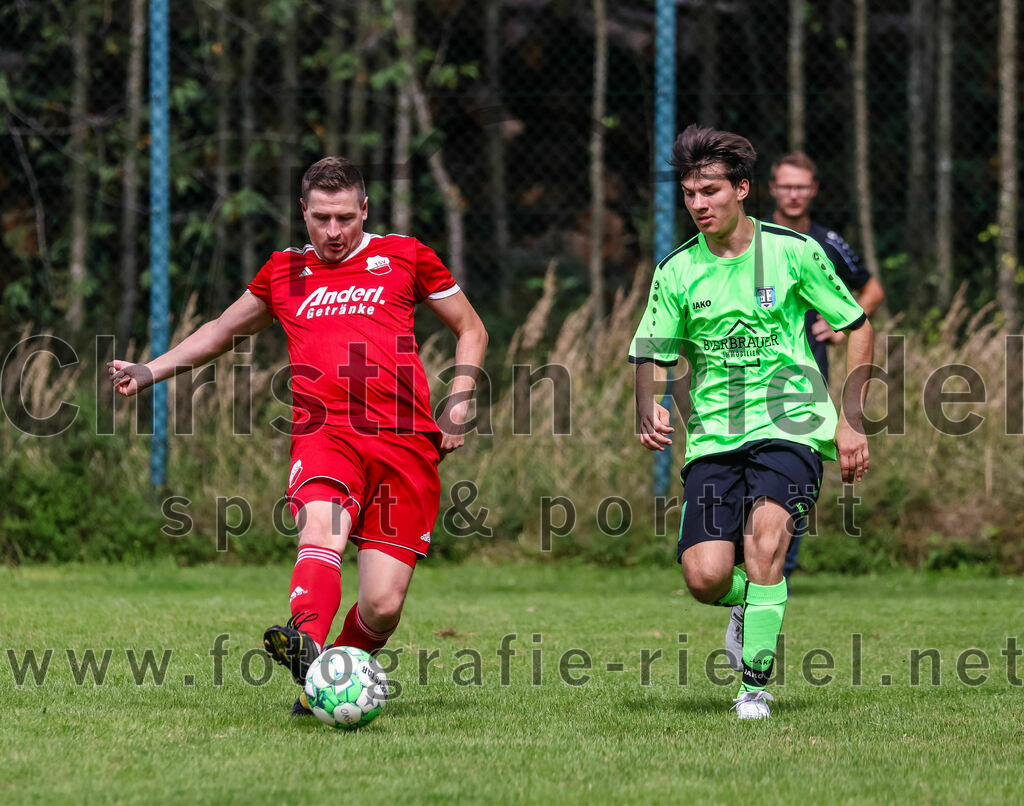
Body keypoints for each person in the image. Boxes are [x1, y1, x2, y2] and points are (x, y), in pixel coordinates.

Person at [109, 157, 488, 716]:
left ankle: (325, 682)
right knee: (323, 527)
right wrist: (150, 370)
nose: (332, 232)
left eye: (343, 218)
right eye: (319, 219)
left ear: (364, 210)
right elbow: (221, 331)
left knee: (382, 605)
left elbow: (471, 328)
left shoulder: (406, 256)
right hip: (325, 434)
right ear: (302, 214)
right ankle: (306, 645)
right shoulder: (283, 271)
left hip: (405, 444)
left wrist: (457, 403)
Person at [630, 126, 873, 719]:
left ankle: (754, 686)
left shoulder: (793, 252)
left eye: (710, 190)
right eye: (689, 193)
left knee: (765, 544)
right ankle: (757, 602)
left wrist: (851, 421)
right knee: (705, 577)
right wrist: (646, 403)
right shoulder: (678, 270)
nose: (699, 205)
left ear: (742, 189)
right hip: (713, 434)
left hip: (790, 424)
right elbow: (650, 348)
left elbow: (857, 325)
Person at [768, 152, 885, 579]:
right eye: (786, 185)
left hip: (809, 377)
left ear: (813, 190)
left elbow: (871, 288)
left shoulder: (828, 243)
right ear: (772, 189)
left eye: (802, 186)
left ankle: (782, 568)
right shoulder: (750, 239)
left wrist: (840, 328)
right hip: (753, 375)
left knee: (795, 466)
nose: (794, 194)